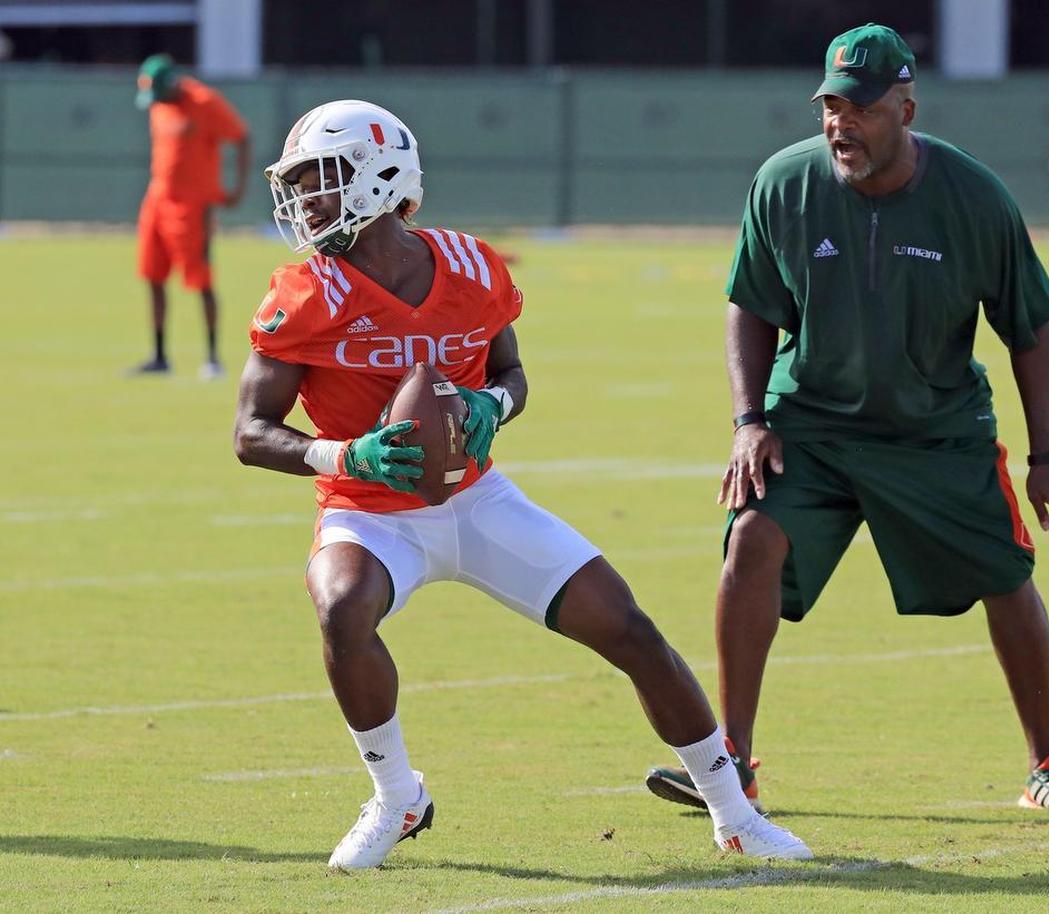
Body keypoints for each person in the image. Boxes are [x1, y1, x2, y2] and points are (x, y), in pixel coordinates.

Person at [232, 99, 812, 869]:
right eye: (301, 184)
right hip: (370, 513)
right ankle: (397, 797)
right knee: (341, 608)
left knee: (629, 629)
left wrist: (490, 405)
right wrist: (345, 457)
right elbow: (250, 432)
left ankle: (735, 813)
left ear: (379, 176)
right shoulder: (303, 294)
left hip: (476, 500)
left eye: (322, 179)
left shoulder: (471, 267)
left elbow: (512, 373)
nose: (307, 201)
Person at [646, 23, 1049, 819]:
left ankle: (1047, 767)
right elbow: (751, 306)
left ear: (905, 106)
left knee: (1007, 575)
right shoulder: (785, 183)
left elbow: (1029, 329)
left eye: (859, 108)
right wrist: (749, 420)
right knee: (751, 538)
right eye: (831, 105)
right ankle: (731, 766)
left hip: (935, 427)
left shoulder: (973, 196)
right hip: (813, 421)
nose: (840, 124)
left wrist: (1047, 456)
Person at [133, 53, 250, 379]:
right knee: (152, 275)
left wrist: (236, 189)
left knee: (201, 280)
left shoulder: (205, 102)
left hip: (193, 205)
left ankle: (212, 358)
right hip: (157, 198)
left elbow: (241, 137)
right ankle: (159, 356)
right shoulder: (158, 105)